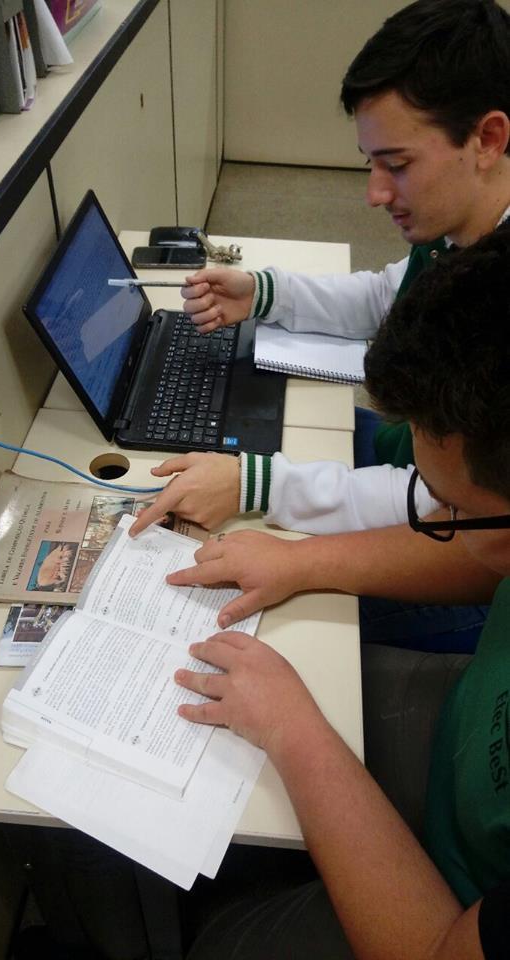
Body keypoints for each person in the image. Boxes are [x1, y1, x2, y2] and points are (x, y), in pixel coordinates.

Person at [173, 224, 510, 960]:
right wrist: (304, 564)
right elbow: (486, 561)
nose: (433, 521)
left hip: (451, 908)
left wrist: (296, 730)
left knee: (220, 942)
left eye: (448, 509)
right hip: (466, 732)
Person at [131, 0, 510, 654]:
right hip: (428, 481)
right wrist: (263, 293)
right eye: (369, 162)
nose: (372, 193)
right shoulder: (459, 233)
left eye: (396, 163)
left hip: (462, 551)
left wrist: (258, 487)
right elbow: (383, 298)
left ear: (487, 139)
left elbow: (456, 510)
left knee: (252, 607)